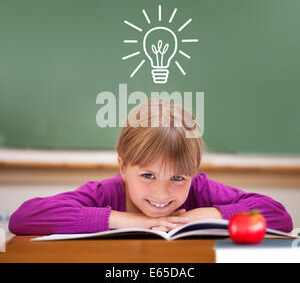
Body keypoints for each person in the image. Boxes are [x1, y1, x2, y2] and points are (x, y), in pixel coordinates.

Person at [9, 100, 293, 235]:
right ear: (123, 167)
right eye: (147, 175)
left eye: (178, 177)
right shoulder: (105, 193)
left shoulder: (201, 191)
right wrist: (128, 220)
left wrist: (206, 214)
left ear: (194, 172)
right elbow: (23, 218)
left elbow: (278, 216)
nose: (161, 193)